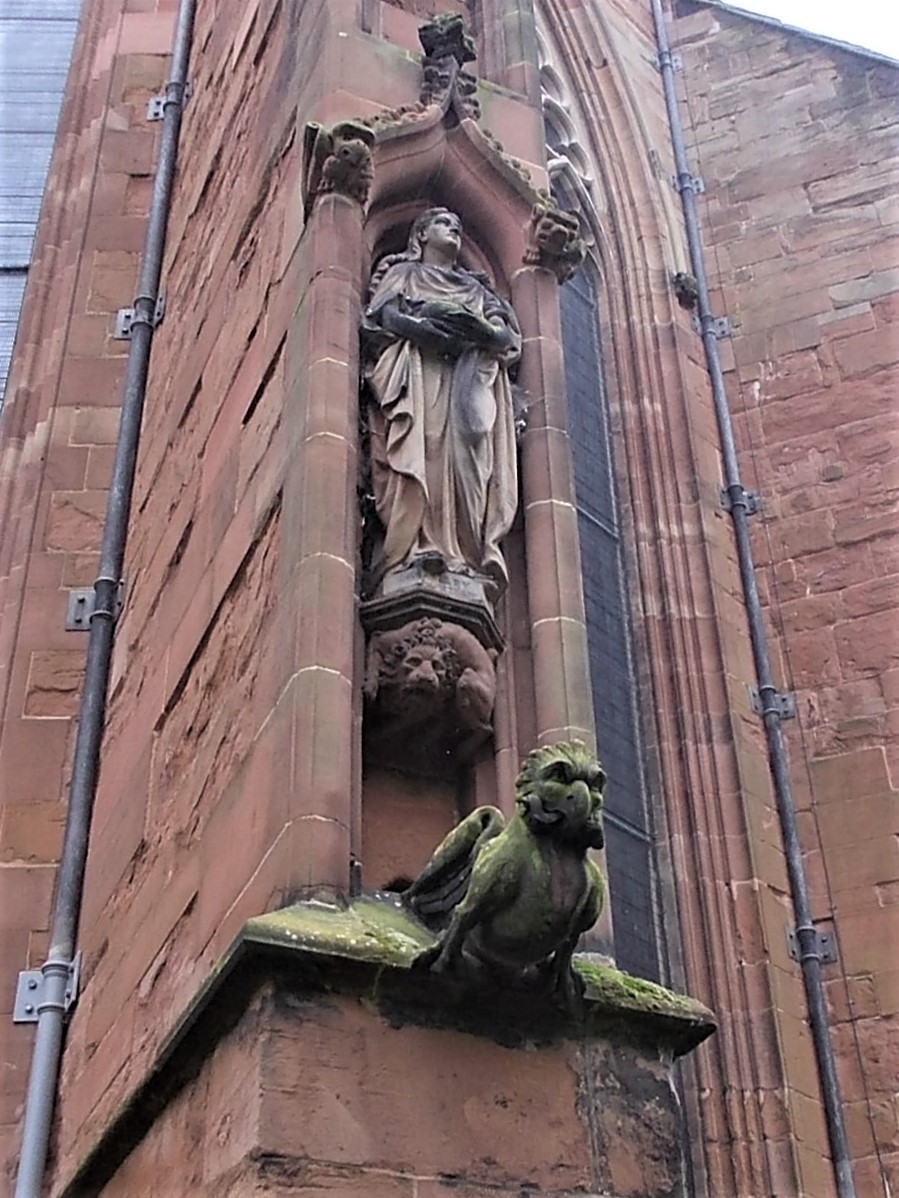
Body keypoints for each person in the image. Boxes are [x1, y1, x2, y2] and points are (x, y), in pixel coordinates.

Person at [362, 208, 522, 601]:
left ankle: (463, 557)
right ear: (421, 234)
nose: (453, 229)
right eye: (443, 223)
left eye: (457, 225)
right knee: (425, 449)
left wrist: (481, 329)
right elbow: (385, 315)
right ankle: (416, 550)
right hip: (419, 375)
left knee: (467, 466)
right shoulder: (404, 275)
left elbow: (506, 338)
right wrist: (422, 326)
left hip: (466, 381)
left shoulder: (478, 291)